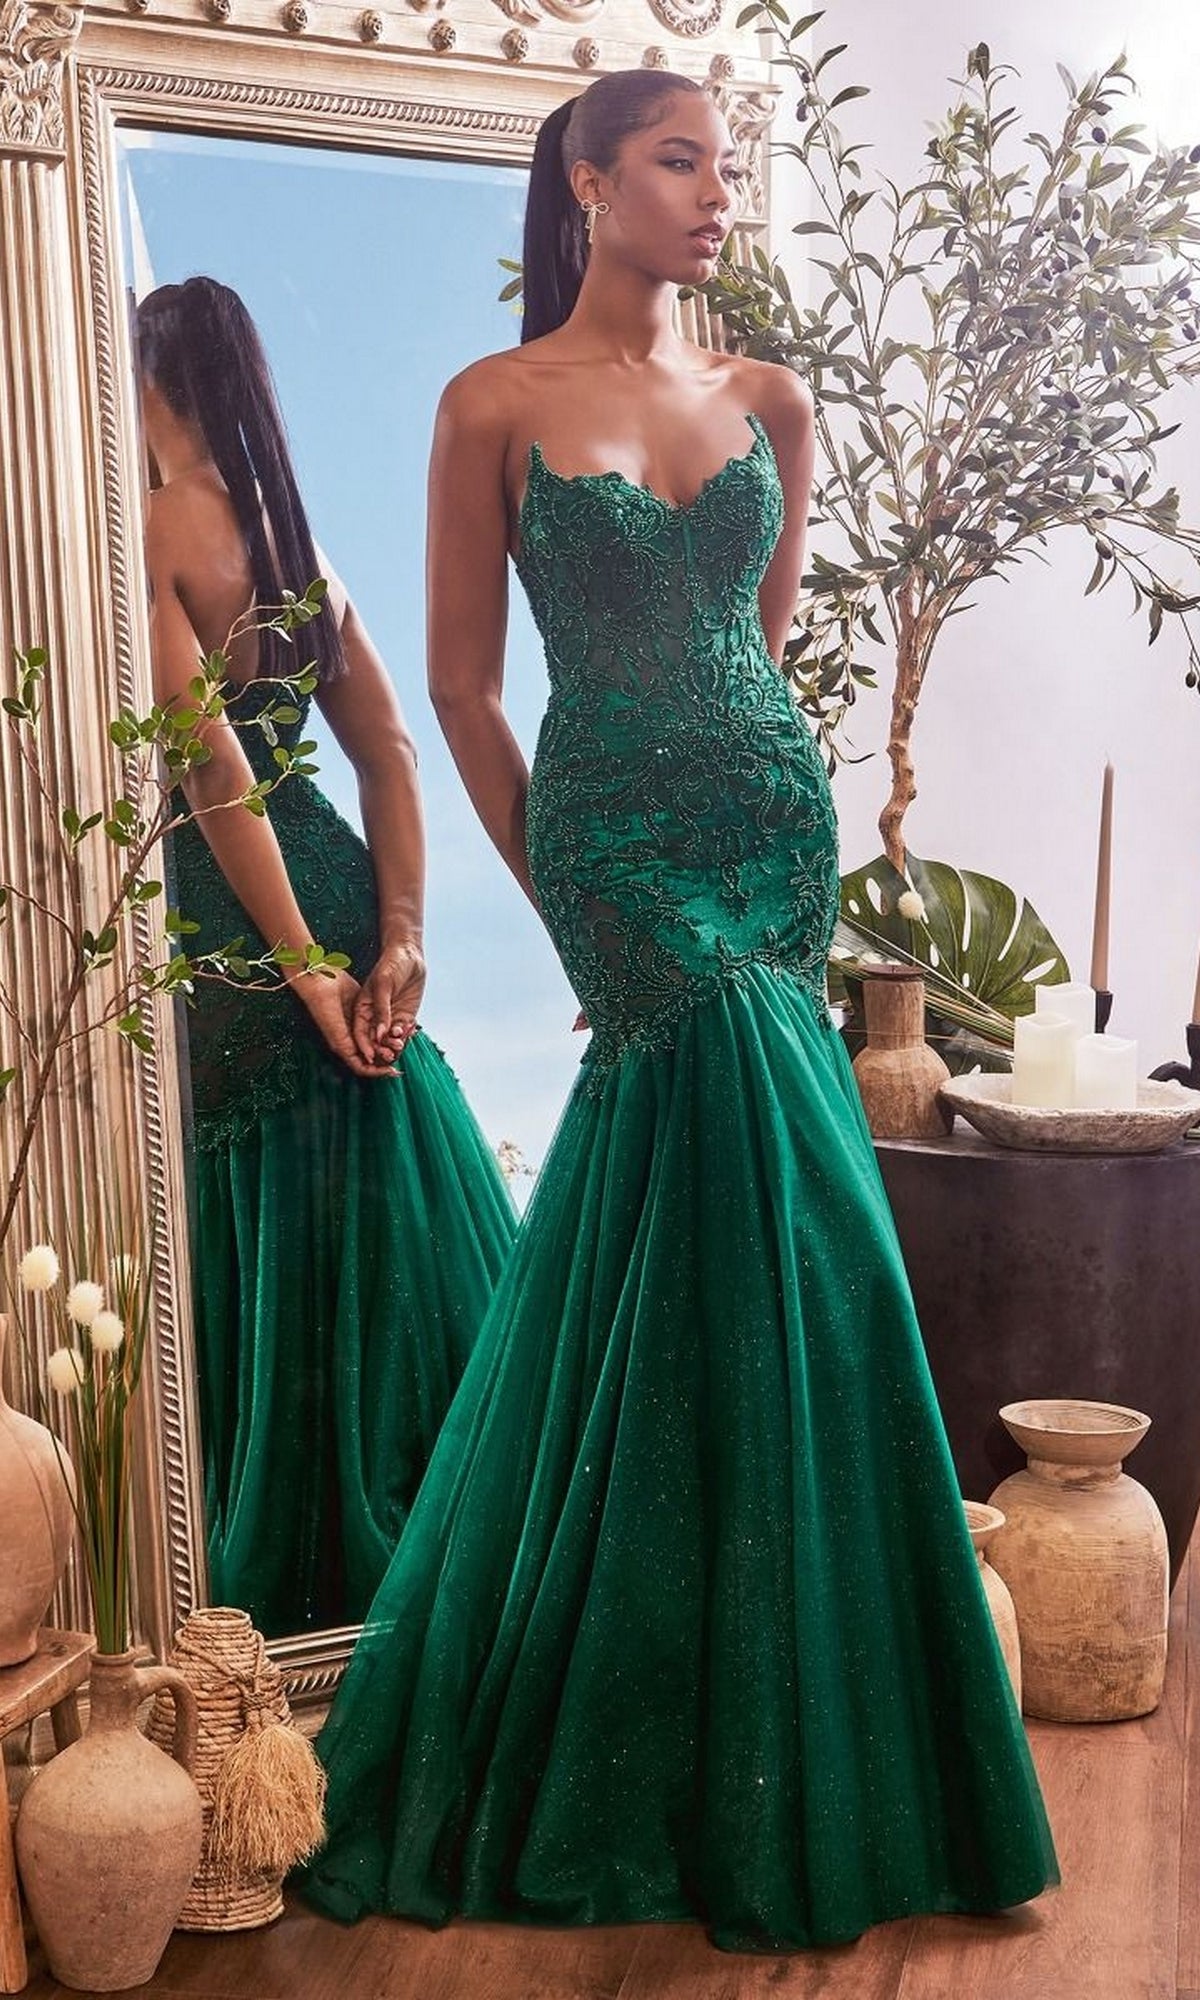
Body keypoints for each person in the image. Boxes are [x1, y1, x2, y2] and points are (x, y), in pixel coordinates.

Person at [295, 72, 1058, 1947]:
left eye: (728, 164)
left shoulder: (773, 399)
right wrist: (564, 882)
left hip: (770, 832)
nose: (717, 194)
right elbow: (461, 692)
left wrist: (766, 796)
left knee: (791, 1244)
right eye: (679, 161)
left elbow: (762, 654)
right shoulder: (491, 403)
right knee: (758, 1205)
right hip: (619, 853)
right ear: (590, 179)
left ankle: (786, 1721)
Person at [135, 277, 516, 1639]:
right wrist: (399, 936)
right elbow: (391, 752)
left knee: (277, 1218)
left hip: (240, 920)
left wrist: (299, 967)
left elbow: (213, 777)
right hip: (343, 891)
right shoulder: (300, 546)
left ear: (147, 379)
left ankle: (299, 1614)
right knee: (379, 1208)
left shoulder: (150, 528)